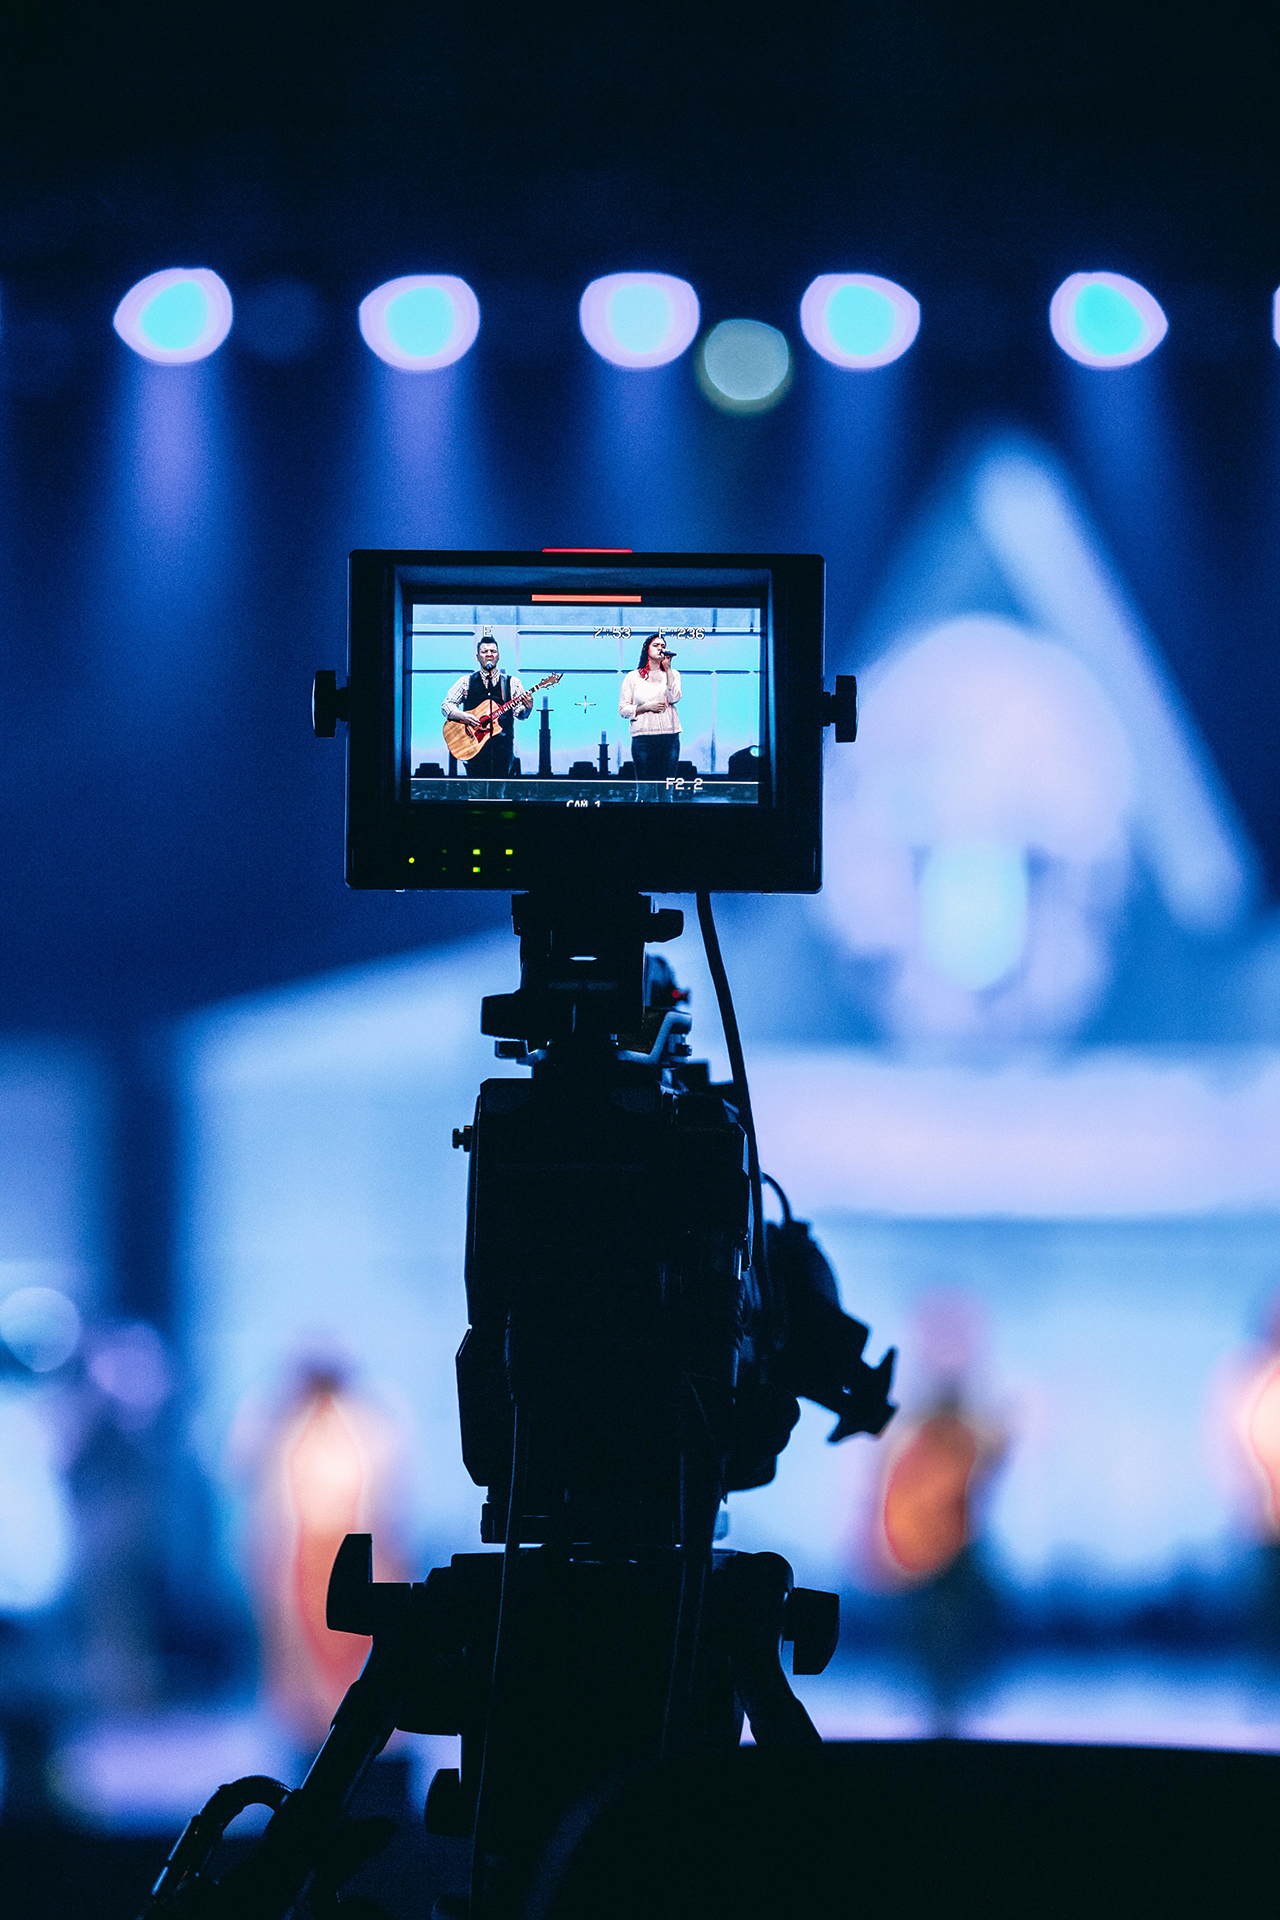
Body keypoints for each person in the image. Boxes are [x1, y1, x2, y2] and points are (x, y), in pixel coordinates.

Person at [442, 636, 533, 777]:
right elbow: (447, 705)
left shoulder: (512, 683)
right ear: (477, 657)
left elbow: (520, 714)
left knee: (500, 795)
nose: (489, 654)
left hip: (502, 751)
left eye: (493, 651)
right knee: (476, 794)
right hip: (472, 748)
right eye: (484, 652)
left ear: (498, 656)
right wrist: (464, 716)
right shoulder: (466, 681)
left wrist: (528, 708)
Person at [619, 634, 682, 780]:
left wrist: (668, 670)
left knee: (666, 789)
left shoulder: (673, 674)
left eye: (663, 646)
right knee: (644, 788)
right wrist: (646, 707)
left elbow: (674, 698)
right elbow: (623, 710)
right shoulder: (633, 677)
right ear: (646, 649)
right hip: (643, 739)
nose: (661, 648)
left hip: (669, 737)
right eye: (656, 645)